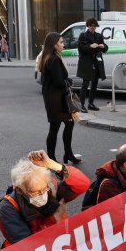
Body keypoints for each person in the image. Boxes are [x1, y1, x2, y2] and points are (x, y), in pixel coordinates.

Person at [0, 151, 91, 246]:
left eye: (44, 188)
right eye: (35, 192)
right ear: (19, 190)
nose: (43, 194)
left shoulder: (51, 188)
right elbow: (26, 246)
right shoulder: (9, 208)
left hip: (61, 243)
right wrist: (54, 219)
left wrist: (54, 165)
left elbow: (83, 184)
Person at [38, 31, 81, 165]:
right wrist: (68, 81)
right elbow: (58, 82)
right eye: (61, 42)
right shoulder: (54, 59)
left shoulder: (49, 57)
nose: (64, 44)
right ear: (54, 44)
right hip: (56, 100)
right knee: (55, 127)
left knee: (69, 123)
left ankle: (68, 153)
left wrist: (65, 80)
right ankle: (50, 158)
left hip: (55, 98)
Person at [77, 18, 108, 111]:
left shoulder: (99, 36)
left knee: (94, 84)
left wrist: (103, 46)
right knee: (85, 84)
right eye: (91, 26)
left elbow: (105, 48)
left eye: (95, 26)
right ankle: (81, 105)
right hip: (86, 63)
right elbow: (80, 48)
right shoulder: (83, 35)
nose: (93, 28)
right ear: (88, 26)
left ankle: (91, 103)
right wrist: (90, 46)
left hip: (96, 63)